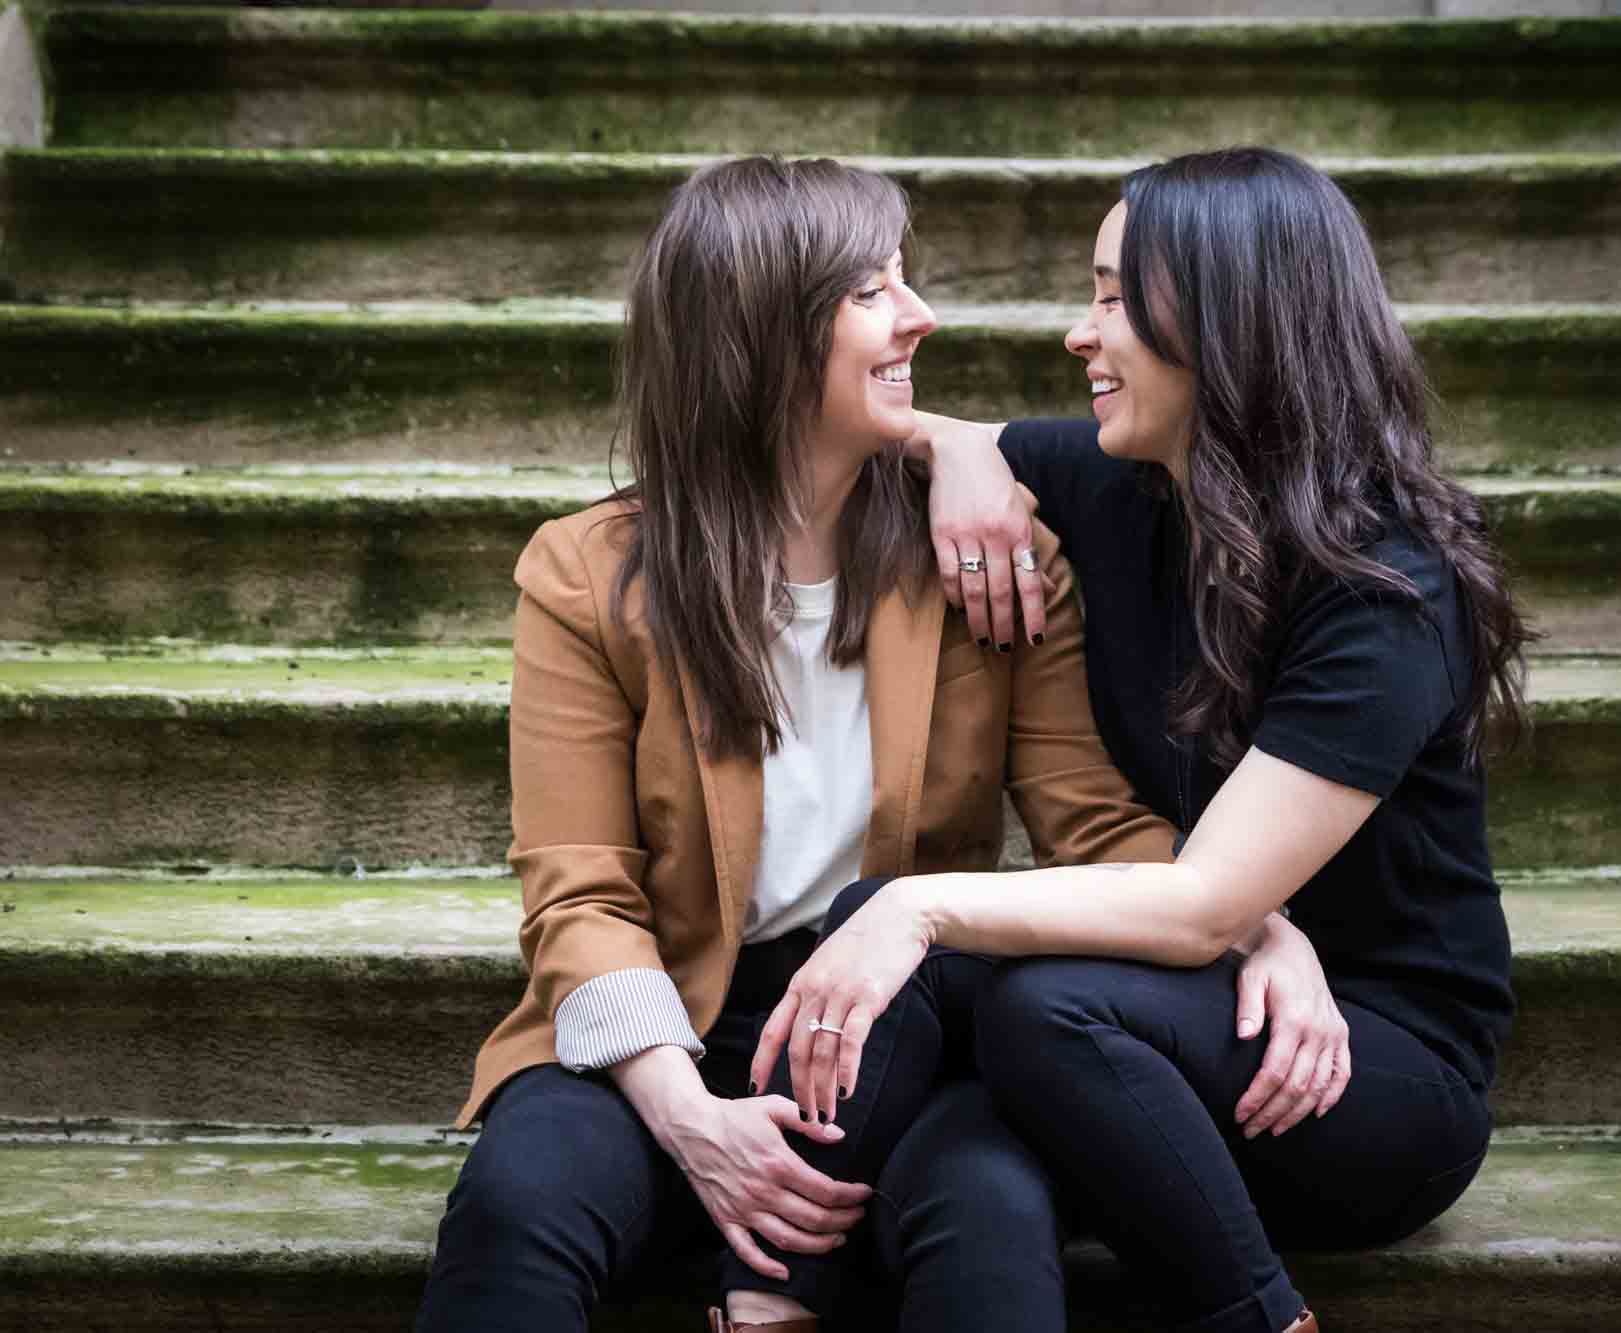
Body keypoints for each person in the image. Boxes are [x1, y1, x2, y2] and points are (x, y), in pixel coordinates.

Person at [412, 154, 1334, 1333]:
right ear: (759, 333)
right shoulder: (584, 575)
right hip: (662, 1023)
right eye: (869, 290)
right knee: (514, 1205)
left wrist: (1254, 919)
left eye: (905, 278)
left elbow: (1093, 827)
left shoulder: (987, 563)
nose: (919, 315)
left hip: (894, 1024)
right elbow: (577, 894)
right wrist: (689, 1118)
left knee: (992, 1216)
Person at [753, 146, 1532, 1333]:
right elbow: (904, 424)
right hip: (1175, 1014)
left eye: (1115, 299)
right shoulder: (1128, 486)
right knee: (897, 962)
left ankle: (1258, 1317)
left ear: (1225, 322)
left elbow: (1205, 902)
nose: (1080, 336)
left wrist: (924, 904)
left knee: (1012, 990)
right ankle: (770, 1299)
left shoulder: (1384, 585)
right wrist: (959, 455)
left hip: (1360, 1073)